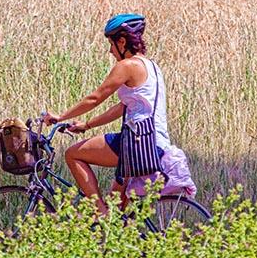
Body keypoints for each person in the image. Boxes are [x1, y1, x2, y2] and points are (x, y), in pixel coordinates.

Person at [43, 13, 171, 216]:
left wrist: (60, 117)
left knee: (72, 154)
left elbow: (95, 98)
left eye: (111, 44)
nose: (110, 51)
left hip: (137, 143)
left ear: (122, 41)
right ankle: (111, 230)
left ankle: (99, 214)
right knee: (116, 211)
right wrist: (87, 125)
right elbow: (122, 107)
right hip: (156, 144)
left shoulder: (127, 66)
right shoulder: (152, 67)